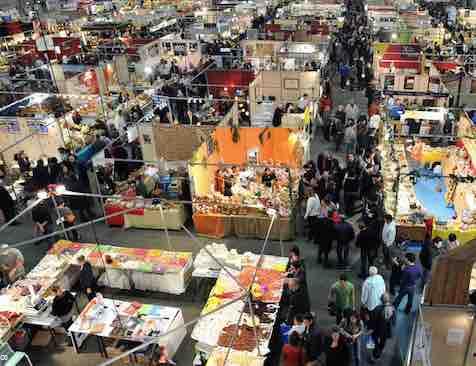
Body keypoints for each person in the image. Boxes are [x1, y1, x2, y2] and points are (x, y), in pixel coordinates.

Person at [370, 293, 395, 363]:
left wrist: (371, 328)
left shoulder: (377, 308)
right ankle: (379, 352)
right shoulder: (392, 308)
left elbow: (373, 320)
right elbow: (393, 321)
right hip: (387, 329)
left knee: (375, 341)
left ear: (381, 300)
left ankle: (375, 355)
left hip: (378, 329)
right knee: (383, 341)